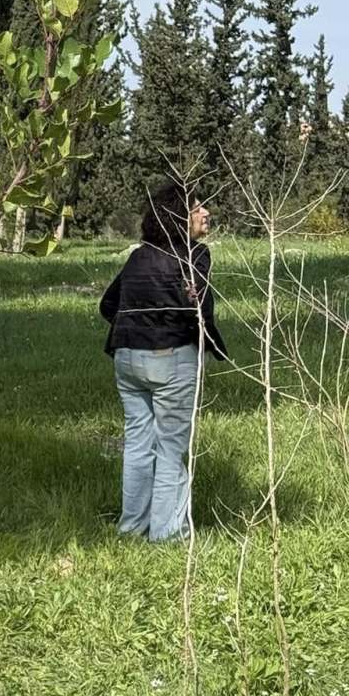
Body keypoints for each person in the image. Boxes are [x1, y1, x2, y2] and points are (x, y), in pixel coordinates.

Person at [99, 182, 228, 542]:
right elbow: (198, 311)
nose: (206, 213)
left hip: (126, 357)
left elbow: (108, 305)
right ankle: (168, 535)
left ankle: (131, 528)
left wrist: (139, 327)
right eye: (197, 208)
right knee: (171, 448)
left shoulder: (138, 257)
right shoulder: (194, 256)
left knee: (138, 446)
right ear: (177, 217)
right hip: (170, 359)